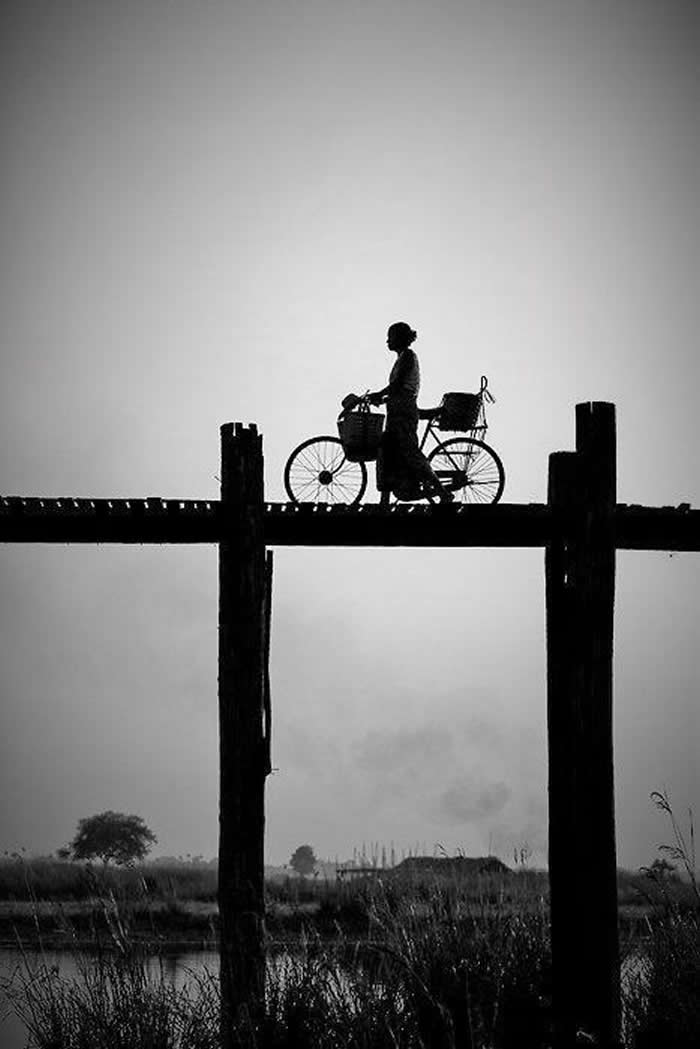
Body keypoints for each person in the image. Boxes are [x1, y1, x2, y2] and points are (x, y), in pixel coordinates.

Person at [368, 322, 453, 506]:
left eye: (390, 336)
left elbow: (398, 386)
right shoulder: (401, 358)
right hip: (396, 412)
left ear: (399, 338)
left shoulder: (408, 357)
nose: (387, 341)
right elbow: (398, 390)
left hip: (403, 413)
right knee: (387, 452)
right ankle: (385, 500)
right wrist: (383, 399)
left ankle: (443, 492)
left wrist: (379, 394)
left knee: (410, 453)